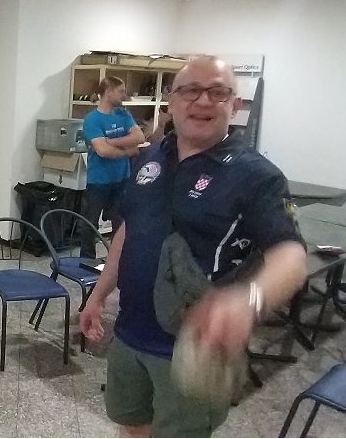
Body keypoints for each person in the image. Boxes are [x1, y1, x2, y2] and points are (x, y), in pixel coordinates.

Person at [80, 56, 307, 437]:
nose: (202, 101)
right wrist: (99, 295)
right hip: (130, 334)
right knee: (131, 426)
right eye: (190, 91)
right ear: (172, 102)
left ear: (234, 105)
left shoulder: (255, 175)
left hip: (194, 351)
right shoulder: (150, 158)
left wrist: (248, 302)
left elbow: (291, 257)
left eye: (217, 92)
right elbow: (129, 231)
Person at [80, 77, 145, 258]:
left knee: (120, 224)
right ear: (108, 93)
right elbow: (102, 151)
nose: (124, 95)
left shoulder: (123, 114)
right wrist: (128, 151)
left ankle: (117, 261)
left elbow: (139, 137)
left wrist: (111, 141)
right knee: (89, 224)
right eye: (121, 91)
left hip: (122, 179)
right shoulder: (92, 119)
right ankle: (86, 261)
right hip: (99, 181)